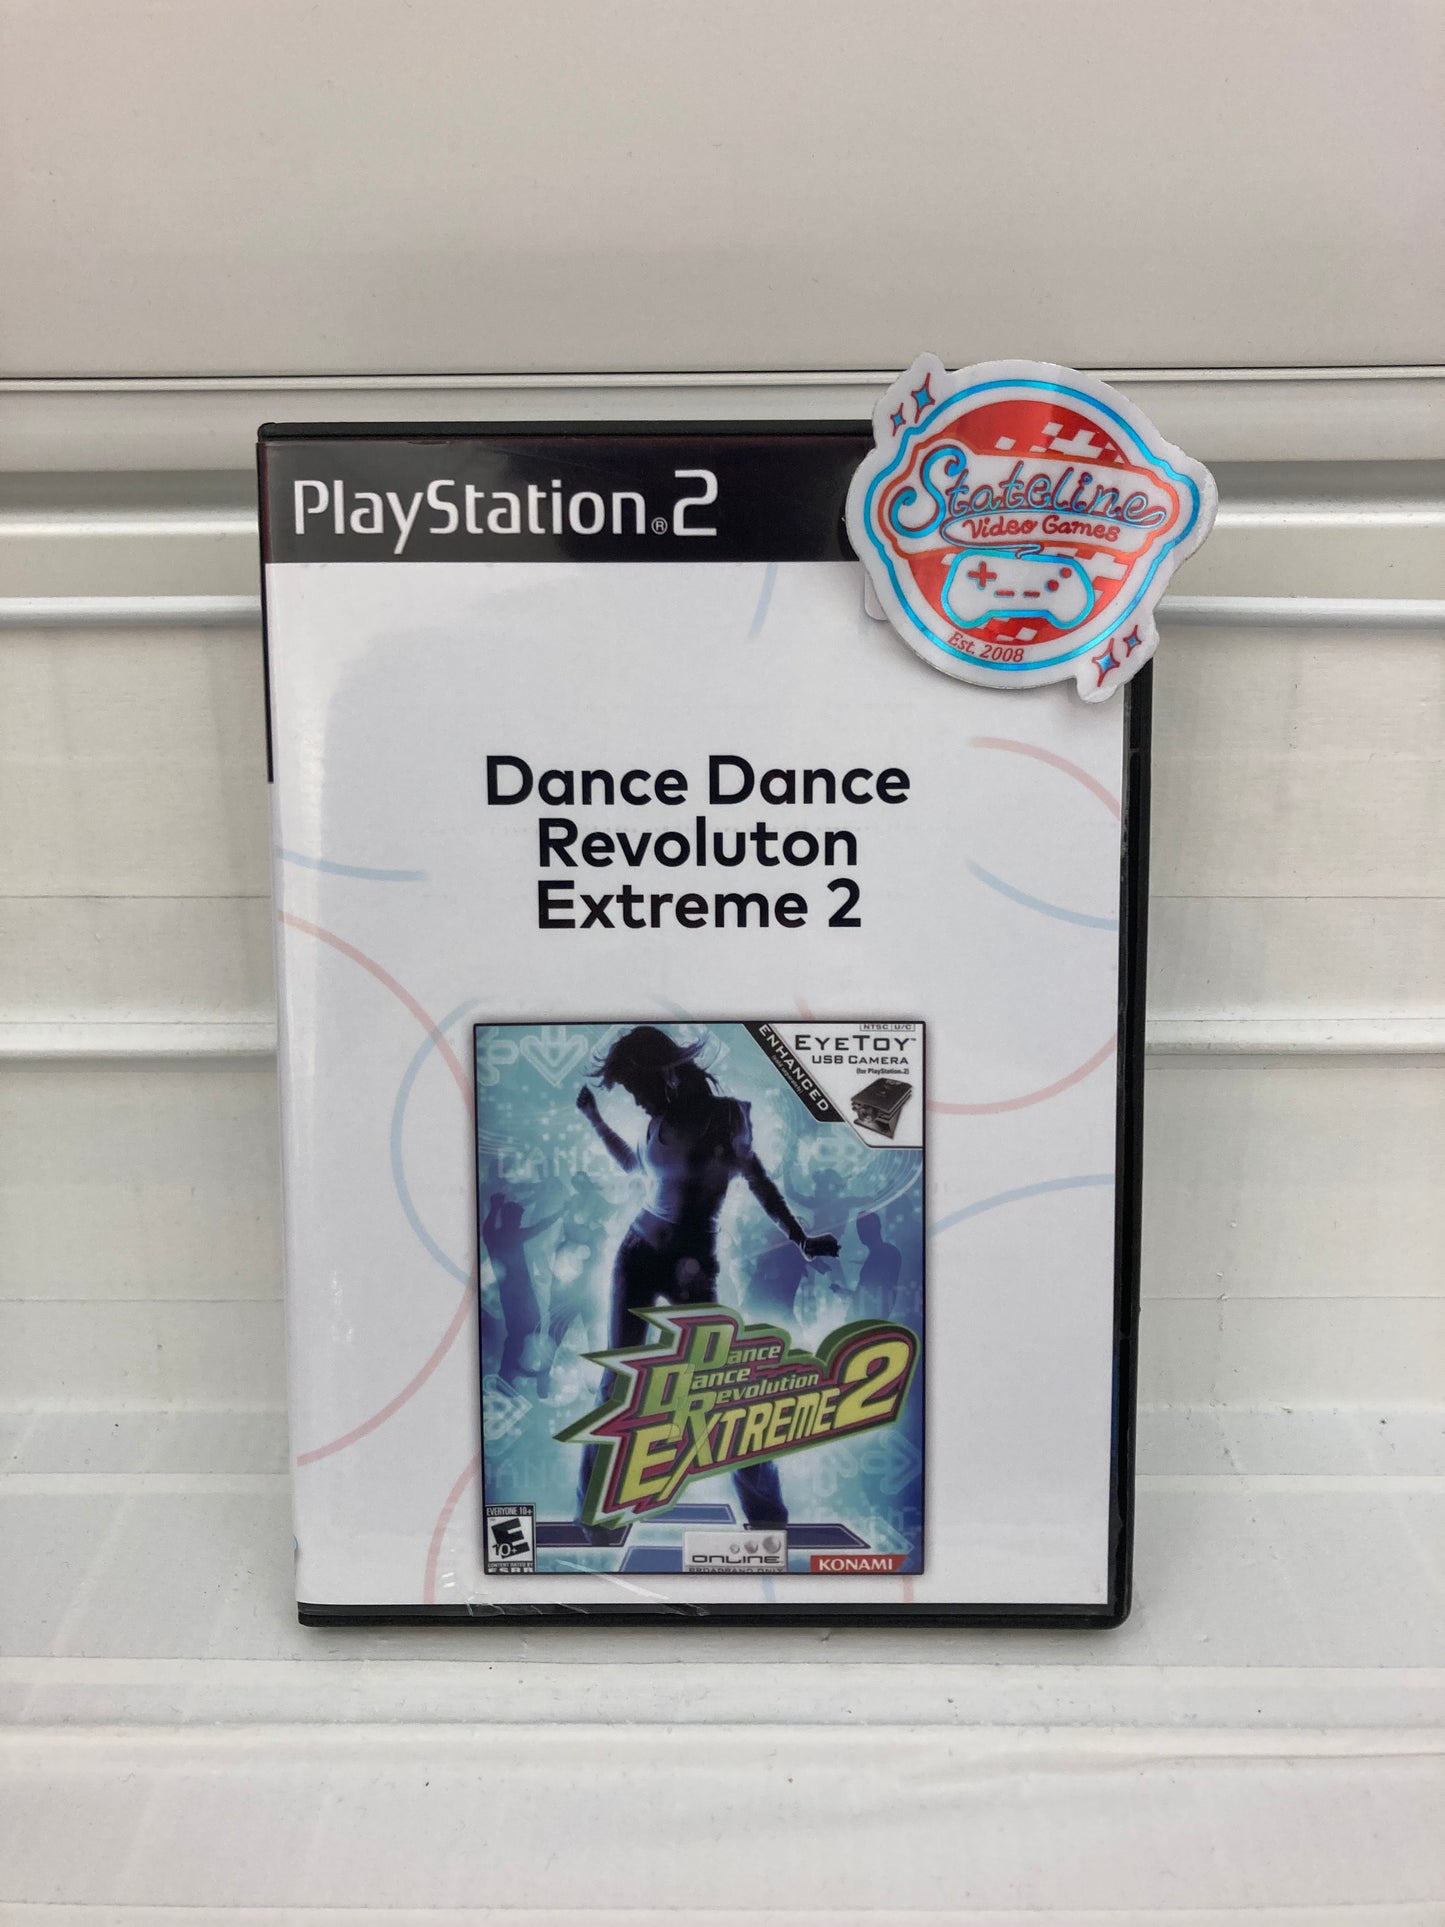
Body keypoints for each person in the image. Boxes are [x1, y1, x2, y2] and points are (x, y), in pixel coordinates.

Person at [574, 1025, 838, 1528]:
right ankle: (595, 1519)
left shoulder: (727, 1116)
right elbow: (634, 1166)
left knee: (720, 1388)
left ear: (663, 1072)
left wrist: (799, 1237)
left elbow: (757, 1180)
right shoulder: (657, 1120)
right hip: (637, 1255)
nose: (636, 1101)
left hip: (691, 1268)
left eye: (636, 1087)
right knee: (617, 1382)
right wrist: (595, 1119)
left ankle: (767, 1520)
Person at [480, 1192, 562, 1388]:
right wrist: (561, 1212)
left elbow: (539, 1227)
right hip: (517, 1295)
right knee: (520, 1335)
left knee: (527, 1332)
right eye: (517, 1219)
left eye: (519, 1219)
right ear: (509, 1219)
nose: (519, 1222)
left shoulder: (498, 1235)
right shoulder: (507, 1236)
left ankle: (511, 1374)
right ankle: (507, 1376)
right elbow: (540, 1226)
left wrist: (495, 1207)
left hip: (518, 1293)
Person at [854, 1210, 903, 1321]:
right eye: (859, 1228)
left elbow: (884, 1293)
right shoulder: (882, 1253)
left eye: (864, 1228)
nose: (860, 1233)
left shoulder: (886, 1253)